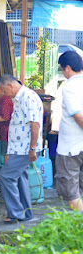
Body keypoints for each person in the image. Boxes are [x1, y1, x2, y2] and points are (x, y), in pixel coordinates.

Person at [0, 74, 43, 223]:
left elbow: (34, 124)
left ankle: (16, 213)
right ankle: (25, 213)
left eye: (5, 91)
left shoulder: (28, 97)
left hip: (24, 148)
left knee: (6, 175)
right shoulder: (18, 98)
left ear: (10, 86)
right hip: (18, 147)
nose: (5, 94)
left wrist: (32, 148)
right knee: (20, 177)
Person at [55, 51, 83, 211]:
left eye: (62, 69)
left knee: (71, 193)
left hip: (71, 149)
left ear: (67, 68)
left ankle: (78, 231)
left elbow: (78, 116)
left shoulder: (70, 86)